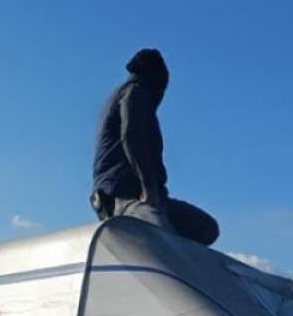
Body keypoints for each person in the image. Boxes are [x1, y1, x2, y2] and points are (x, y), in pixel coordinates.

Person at [90, 48, 220, 246]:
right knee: (164, 242)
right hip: (125, 197)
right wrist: (147, 187)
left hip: (145, 197)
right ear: (157, 81)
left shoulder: (129, 95)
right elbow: (131, 135)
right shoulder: (135, 91)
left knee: (206, 228)